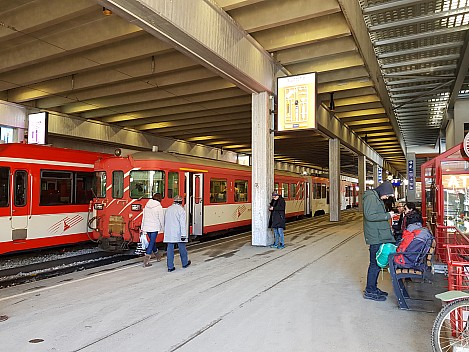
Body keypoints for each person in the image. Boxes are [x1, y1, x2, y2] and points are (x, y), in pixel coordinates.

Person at [362, 181, 395, 301]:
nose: (386, 198)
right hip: (375, 236)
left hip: (379, 234)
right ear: (383, 191)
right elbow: (369, 215)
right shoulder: (371, 197)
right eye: (386, 195)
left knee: (376, 264)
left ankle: (373, 288)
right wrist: (387, 216)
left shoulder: (375, 197)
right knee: (375, 264)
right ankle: (370, 291)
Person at [164, 195, 191, 272]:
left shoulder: (168, 209)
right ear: (181, 202)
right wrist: (183, 235)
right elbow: (182, 224)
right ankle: (185, 263)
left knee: (170, 250)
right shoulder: (181, 210)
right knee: (182, 248)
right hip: (178, 232)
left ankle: (170, 267)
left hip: (169, 232)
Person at [140, 193, 164, 267]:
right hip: (154, 227)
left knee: (152, 242)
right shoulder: (159, 207)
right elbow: (161, 218)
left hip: (147, 227)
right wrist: (163, 227)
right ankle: (146, 261)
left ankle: (158, 256)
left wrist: (142, 227)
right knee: (151, 243)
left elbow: (143, 218)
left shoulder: (147, 205)